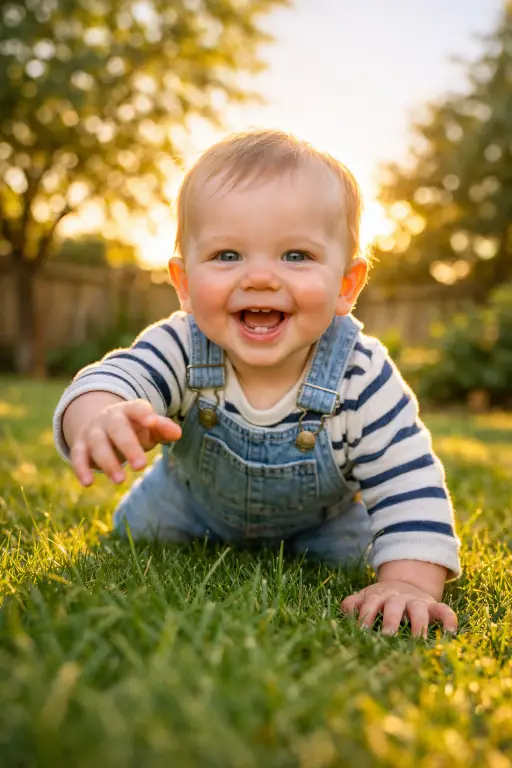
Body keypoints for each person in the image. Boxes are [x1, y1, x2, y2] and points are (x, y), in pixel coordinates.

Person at [53, 130, 460, 637]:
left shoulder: (361, 374)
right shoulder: (181, 345)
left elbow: (408, 480)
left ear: (346, 285)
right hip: (184, 511)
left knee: (365, 549)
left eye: (295, 256)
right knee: (138, 535)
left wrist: (410, 583)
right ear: (183, 283)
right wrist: (99, 414)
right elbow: (118, 376)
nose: (261, 278)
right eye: (227, 255)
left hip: (323, 532)